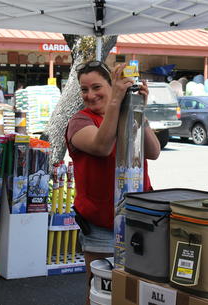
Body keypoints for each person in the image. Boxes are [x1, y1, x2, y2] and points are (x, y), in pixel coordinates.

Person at [65, 61, 161, 305]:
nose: (90, 95)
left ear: (112, 85)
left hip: (140, 219)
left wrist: (139, 109)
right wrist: (116, 101)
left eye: (97, 87)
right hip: (101, 223)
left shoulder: (129, 113)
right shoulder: (80, 121)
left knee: (136, 290)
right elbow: (101, 146)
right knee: (101, 291)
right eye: (84, 89)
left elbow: (153, 151)